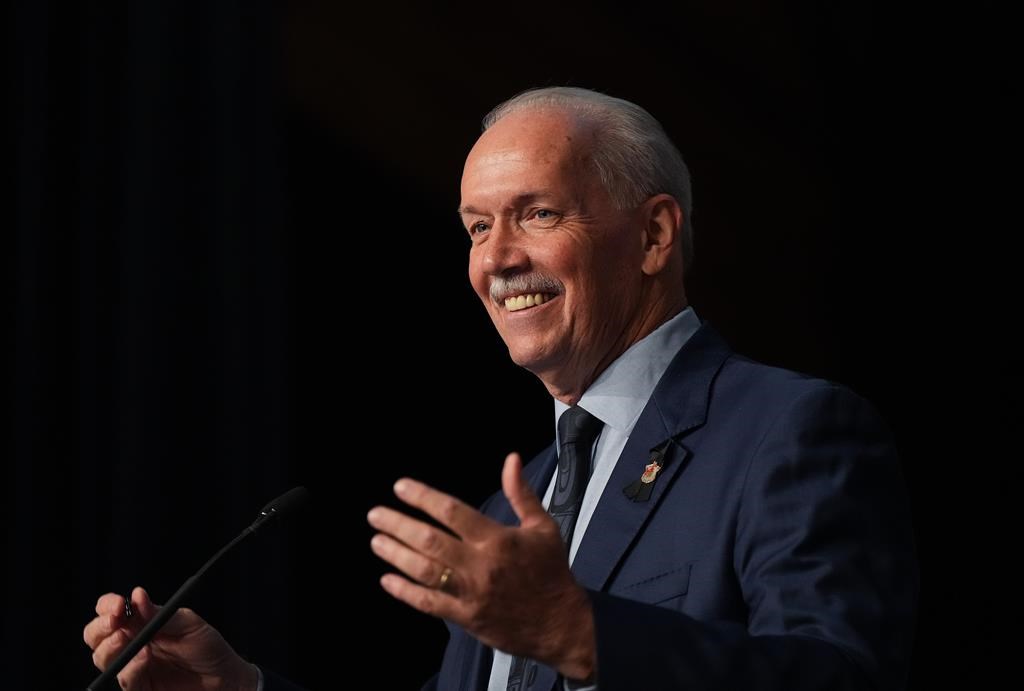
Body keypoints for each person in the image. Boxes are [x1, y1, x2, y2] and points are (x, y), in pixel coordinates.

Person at [84, 87, 918, 690]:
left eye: (538, 214)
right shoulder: (510, 513)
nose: (495, 258)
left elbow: (843, 674)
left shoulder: (787, 430)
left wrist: (581, 636)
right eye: (478, 226)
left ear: (655, 235)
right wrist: (238, 689)